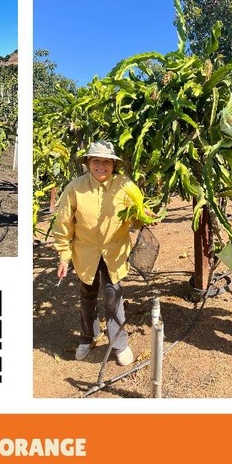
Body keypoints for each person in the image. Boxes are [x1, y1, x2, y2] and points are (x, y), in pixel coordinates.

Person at [52, 139, 143, 364]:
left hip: (115, 252)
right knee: (87, 297)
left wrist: (143, 216)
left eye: (106, 162)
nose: (101, 166)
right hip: (85, 254)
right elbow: (64, 224)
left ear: (114, 164)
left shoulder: (125, 185)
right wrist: (64, 256)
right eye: (96, 161)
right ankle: (87, 337)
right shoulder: (75, 188)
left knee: (114, 298)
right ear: (88, 163)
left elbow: (136, 219)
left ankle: (119, 344)